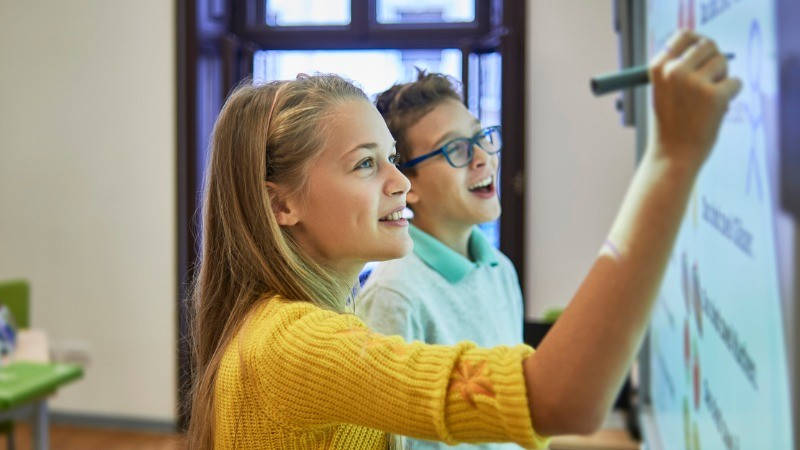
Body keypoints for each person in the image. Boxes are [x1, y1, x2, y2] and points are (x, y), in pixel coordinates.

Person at [187, 30, 741, 449]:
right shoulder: (294, 345)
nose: (401, 183)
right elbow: (558, 399)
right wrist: (672, 161)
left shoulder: (306, 323)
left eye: (393, 160)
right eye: (364, 165)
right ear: (281, 203)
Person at [356, 72, 524, 450]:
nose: (483, 159)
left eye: (481, 138)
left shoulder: (500, 268)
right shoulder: (394, 295)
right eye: (457, 149)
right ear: (407, 181)